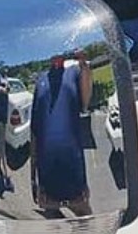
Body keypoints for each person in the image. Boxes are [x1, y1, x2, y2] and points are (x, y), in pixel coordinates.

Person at [30, 50, 93, 217]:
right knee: (54, 223)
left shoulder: (74, 72)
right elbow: (35, 132)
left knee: (85, 218)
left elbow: (85, 102)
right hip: (47, 173)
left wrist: (84, 66)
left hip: (73, 167)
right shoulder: (41, 80)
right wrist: (33, 179)